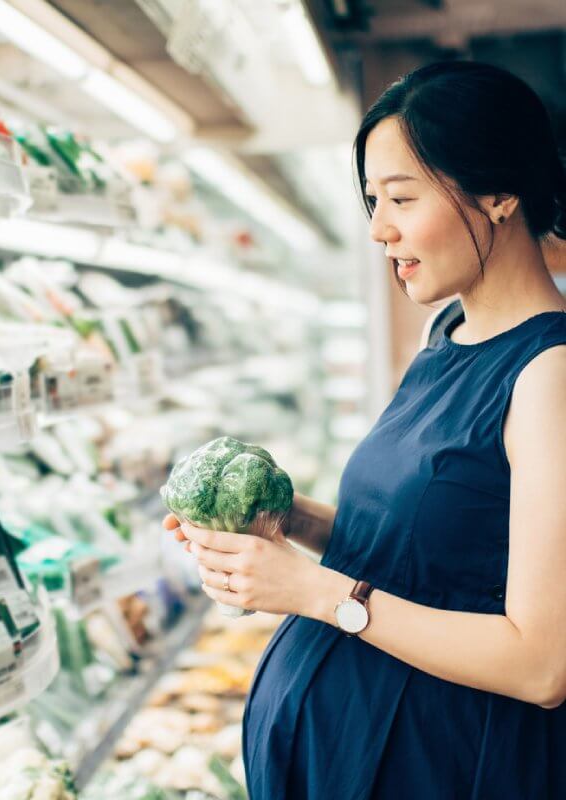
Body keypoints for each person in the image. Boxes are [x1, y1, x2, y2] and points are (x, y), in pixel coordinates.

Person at [163, 61, 566, 799]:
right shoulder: (443, 334)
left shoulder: (550, 375)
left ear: (501, 193)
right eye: (373, 199)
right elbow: (433, 552)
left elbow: (542, 665)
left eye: (402, 198)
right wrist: (293, 522)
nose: (379, 229)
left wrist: (316, 594)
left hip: (441, 765)